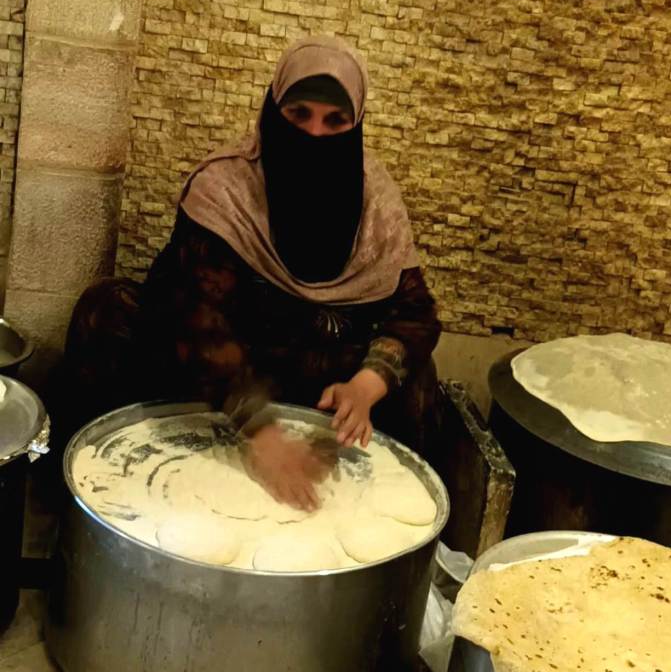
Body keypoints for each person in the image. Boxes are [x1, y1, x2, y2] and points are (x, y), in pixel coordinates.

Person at [59, 35, 442, 509]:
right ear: (273, 111)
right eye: (298, 114)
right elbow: (194, 317)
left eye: (335, 121)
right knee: (107, 310)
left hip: (316, 379)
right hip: (220, 377)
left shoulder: (375, 201)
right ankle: (81, 506)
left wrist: (366, 386)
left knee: (419, 378)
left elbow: (415, 314)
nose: (315, 134)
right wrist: (262, 434)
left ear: (356, 125)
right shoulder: (228, 189)